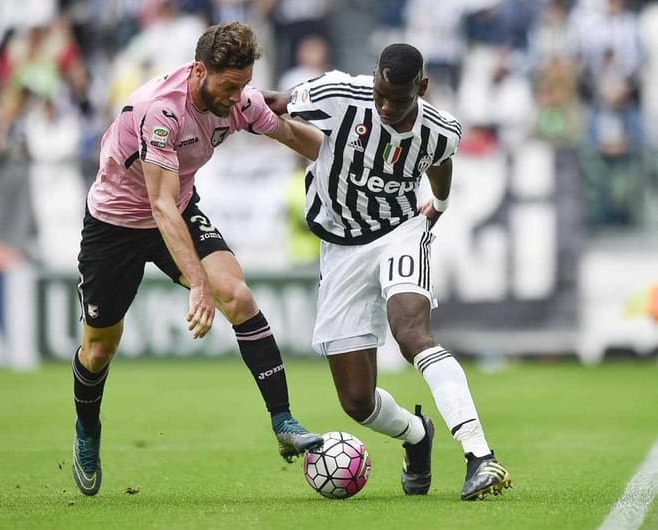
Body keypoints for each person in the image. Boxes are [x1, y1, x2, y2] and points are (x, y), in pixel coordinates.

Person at [70, 21, 325, 497]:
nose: (239, 96)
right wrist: (198, 284)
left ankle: (283, 420)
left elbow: (293, 136)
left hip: (179, 209)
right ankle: (87, 429)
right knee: (100, 347)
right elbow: (159, 206)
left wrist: (345, 158)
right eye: (231, 86)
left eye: (245, 84)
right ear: (200, 70)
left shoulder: (238, 100)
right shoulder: (159, 112)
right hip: (117, 225)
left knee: (239, 296)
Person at [263, 43, 512, 501]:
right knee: (357, 401)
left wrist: (438, 205)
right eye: (380, 94)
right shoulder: (339, 93)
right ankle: (417, 434)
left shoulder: (440, 129)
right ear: (373, 77)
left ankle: (480, 456)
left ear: (423, 86)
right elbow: (273, 103)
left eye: (397, 100)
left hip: (400, 230)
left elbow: (440, 161)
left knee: (412, 333)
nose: (385, 107)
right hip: (340, 249)